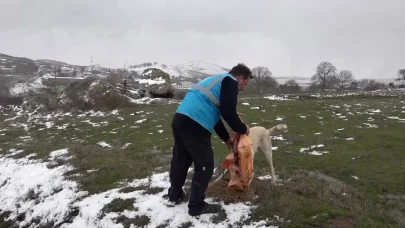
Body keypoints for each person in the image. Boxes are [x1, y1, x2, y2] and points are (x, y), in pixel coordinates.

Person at [165, 63, 253, 216]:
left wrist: (226, 138)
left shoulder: (216, 81)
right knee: (205, 164)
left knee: (181, 160)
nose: (243, 88)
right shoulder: (230, 81)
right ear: (240, 77)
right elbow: (228, 112)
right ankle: (196, 206)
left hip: (180, 119)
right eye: (245, 83)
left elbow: (216, 117)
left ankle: (174, 196)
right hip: (196, 123)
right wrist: (243, 129)